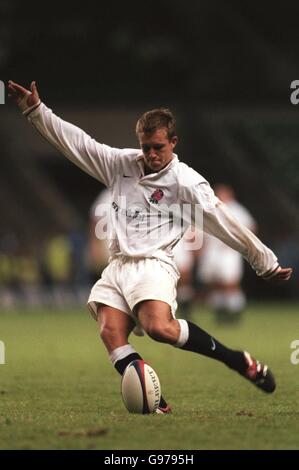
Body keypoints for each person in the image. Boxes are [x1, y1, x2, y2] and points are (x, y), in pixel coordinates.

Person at [8, 80, 293, 414]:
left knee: (159, 327)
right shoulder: (120, 165)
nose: (152, 154)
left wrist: (265, 262)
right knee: (109, 330)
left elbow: (223, 221)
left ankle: (236, 360)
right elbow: (78, 144)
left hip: (154, 263)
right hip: (117, 266)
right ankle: (155, 401)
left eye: (159, 146)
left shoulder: (185, 182)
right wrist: (36, 112)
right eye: (146, 147)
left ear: (173, 142)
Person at [197, 184, 256, 323]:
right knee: (213, 283)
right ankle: (220, 313)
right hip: (211, 250)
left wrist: (242, 244)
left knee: (230, 283)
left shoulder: (237, 210)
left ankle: (235, 313)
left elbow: (251, 227)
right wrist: (200, 248)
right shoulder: (208, 208)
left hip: (228, 251)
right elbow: (200, 230)